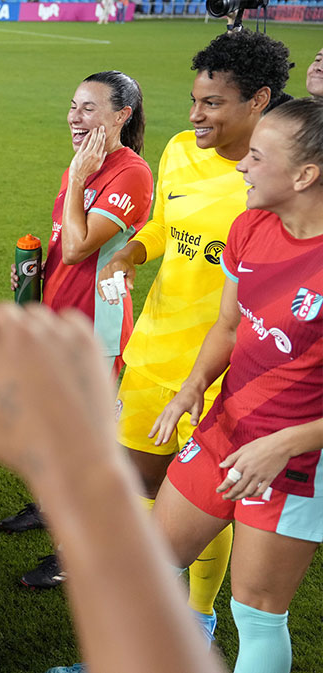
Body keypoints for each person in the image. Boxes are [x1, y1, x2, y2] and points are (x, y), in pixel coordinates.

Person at [87, 30, 292, 653]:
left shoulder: (278, 177)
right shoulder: (178, 150)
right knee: (140, 484)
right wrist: (131, 253)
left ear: (258, 102)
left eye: (213, 104)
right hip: (154, 352)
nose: (195, 115)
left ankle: (193, 622)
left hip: (225, 368)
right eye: (194, 100)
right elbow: (166, 225)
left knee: (207, 497)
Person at [0, 298, 226, 673]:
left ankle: (198, 619)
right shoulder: (257, 241)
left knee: (259, 609)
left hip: (236, 398)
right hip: (160, 364)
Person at [150, 97, 323, 673]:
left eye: (256, 156)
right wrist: (192, 386)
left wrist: (286, 444)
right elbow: (229, 323)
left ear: (305, 174)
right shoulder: (249, 226)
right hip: (225, 429)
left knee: (257, 611)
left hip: (296, 461)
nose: (242, 167)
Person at [0, 71, 152, 592]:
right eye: (72, 106)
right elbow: (64, 241)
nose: (74, 117)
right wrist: (32, 277)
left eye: (89, 109)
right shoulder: (84, 165)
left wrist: (80, 176)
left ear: (121, 117)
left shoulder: (129, 174)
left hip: (97, 331)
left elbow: (81, 247)